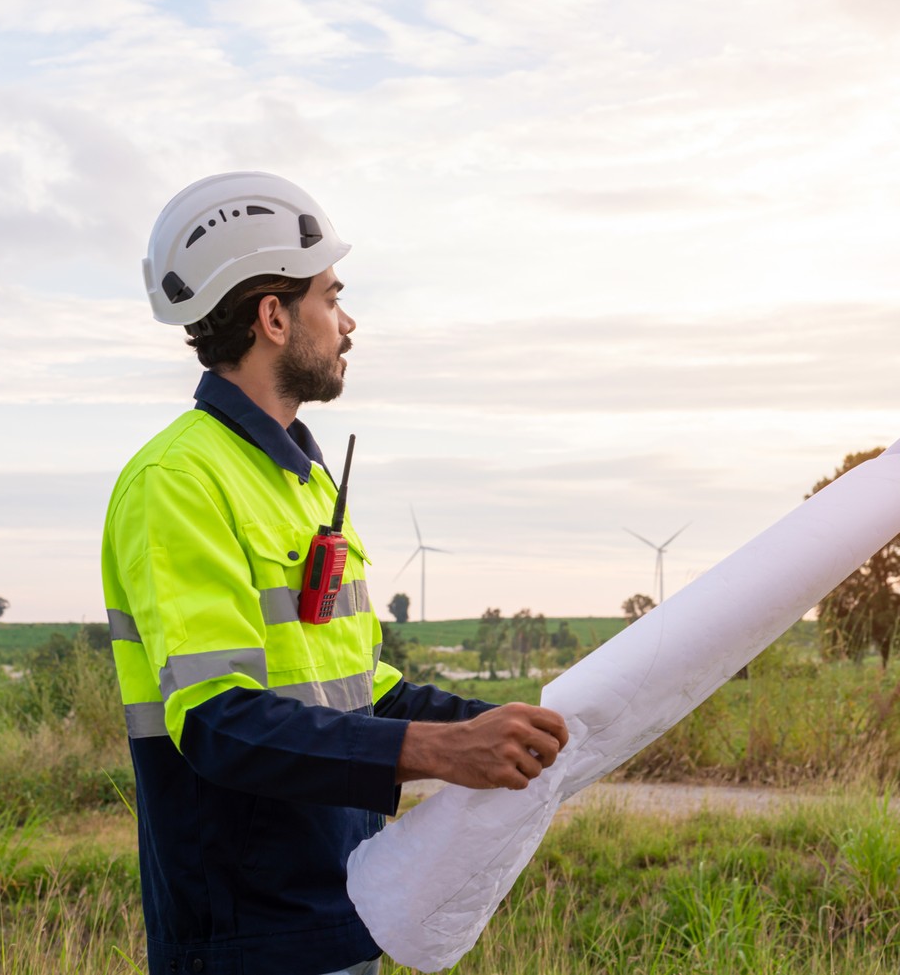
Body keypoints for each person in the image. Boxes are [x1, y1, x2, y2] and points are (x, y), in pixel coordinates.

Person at [102, 171, 570, 975]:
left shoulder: (305, 481)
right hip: (248, 937)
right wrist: (438, 750)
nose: (347, 322)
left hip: (346, 904)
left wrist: (502, 723)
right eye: (331, 296)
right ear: (274, 317)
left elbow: (360, 685)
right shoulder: (177, 480)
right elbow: (219, 720)